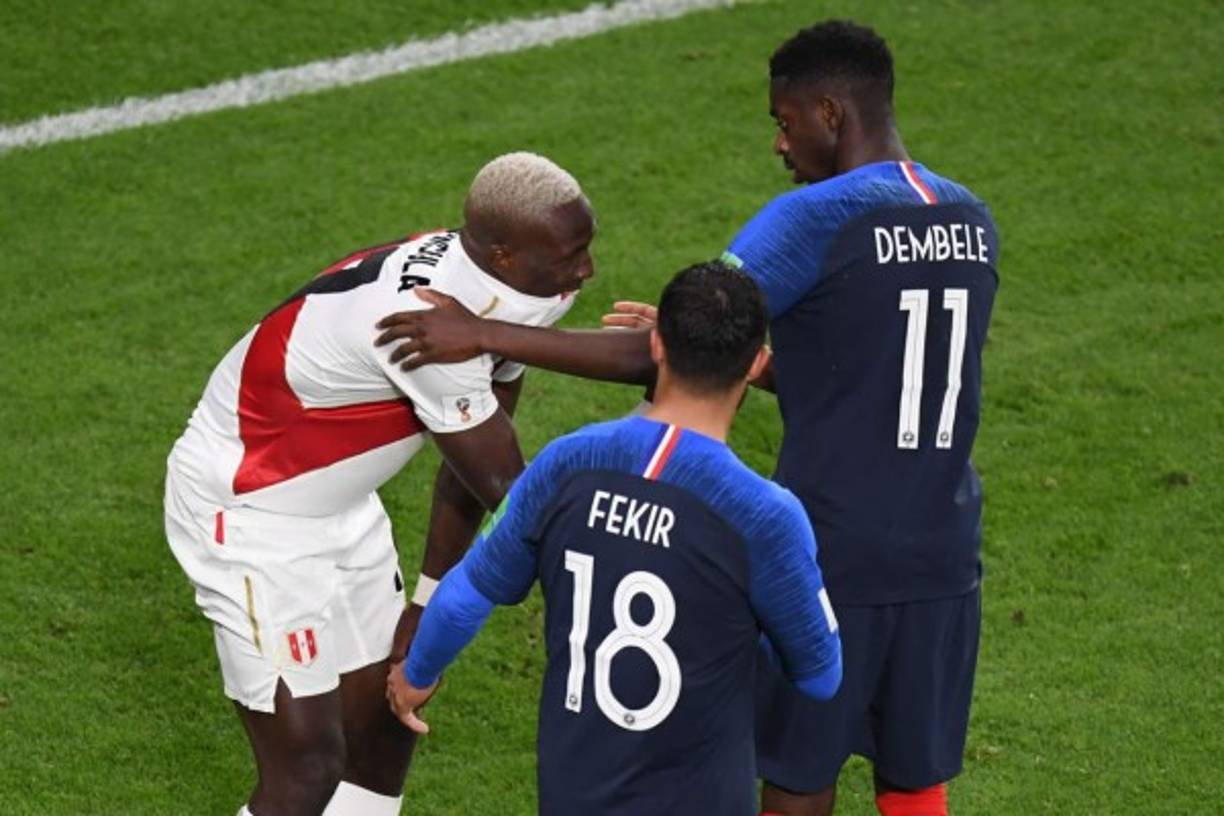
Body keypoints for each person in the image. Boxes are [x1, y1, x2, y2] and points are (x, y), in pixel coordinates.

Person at [373, 20, 999, 816]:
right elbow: (884, 376)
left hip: (837, 544)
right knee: (914, 773)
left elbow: (662, 357)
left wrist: (484, 332)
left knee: (800, 776)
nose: (781, 145)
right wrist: (762, 366)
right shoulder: (969, 218)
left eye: (785, 120)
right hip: (945, 549)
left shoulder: (811, 219)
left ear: (832, 114)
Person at [164, 151, 595, 816]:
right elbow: (512, 495)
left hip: (341, 506)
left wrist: (426, 602)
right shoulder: (419, 328)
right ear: (505, 253)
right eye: (570, 254)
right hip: (250, 509)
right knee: (306, 766)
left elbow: (470, 467)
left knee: (385, 726)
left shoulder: (521, 292)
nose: (585, 271)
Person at [386, 261, 842, 815]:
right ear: (756, 365)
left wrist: (415, 678)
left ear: (655, 345)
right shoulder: (765, 515)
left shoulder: (566, 462)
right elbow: (820, 676)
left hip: (573, 794)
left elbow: (466, 596)